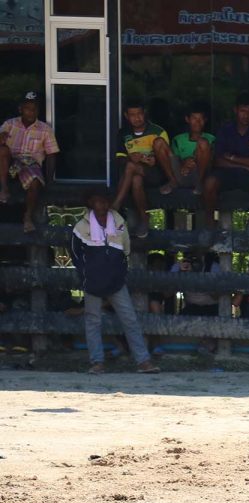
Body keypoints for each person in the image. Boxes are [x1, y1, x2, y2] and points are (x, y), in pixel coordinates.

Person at [68, 189, 159, 375]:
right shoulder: (80, 227)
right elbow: (75, 254)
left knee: (130, 319)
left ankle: (143, 361)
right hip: (92, 281)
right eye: (97, 201)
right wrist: (86, 273)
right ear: (91, 203)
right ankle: (97, 362)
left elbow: (126, 249)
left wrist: (119, 271)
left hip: (116, 280)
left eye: (104, 201)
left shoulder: (119, 222)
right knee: (93, 321)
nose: (102, 205)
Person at [203, 94, 249, 233]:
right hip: (226, 173)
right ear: (235, 110)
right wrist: (245, 165)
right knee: (209, 182)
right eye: (242, 111)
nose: (246, 115)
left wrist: (233, 158)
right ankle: (209, 224)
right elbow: (217, 160)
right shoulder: (225, 130)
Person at [112, 99, 177, 238]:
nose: (137, 118)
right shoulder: (123, 134)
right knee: (135, 178)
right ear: (126, 116)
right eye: (132, 115)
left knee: (132, 167)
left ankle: (116, 205)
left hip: (157, 174)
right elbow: (119, 159)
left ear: (145, 113)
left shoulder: (158, 131)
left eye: (139, 114)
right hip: (137, 174)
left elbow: (167, 156)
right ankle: (144, 219)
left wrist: (155, 160)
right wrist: (132, 158)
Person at [0, 91, 60, 233]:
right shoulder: (10, 124)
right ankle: (3, 188)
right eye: (27, 108)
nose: (30, 112)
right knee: (2, 151)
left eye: (34, 109)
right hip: (10, 163)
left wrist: (49, 179)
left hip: (30, 163)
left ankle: (27, 216)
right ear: (21, 109)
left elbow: (51, 154)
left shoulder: (45, 129)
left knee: (35, 181)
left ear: (38, 110)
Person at [169, 104, 214, 196]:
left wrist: (193, 161)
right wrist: (184, 162)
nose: (198, 122)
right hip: (182, 174)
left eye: (201, 119)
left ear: (205, 120)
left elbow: (212, 161)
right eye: (194, 118)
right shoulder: (178, 139)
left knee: (203, 143)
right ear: (187, 119)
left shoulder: (211, 139)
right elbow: (174, 160)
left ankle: (199, 183)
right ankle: (172, 182)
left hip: (202, 175)